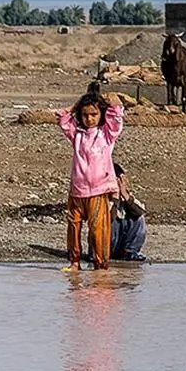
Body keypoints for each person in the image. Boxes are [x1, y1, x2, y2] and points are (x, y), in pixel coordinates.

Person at [57, 81, 124, 271]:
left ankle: (101, 265)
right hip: (77, 190)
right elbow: (63, 119)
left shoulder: (106, 135)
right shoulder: (76, 135)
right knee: (73, 227)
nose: (89, 119)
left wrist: (106, 103)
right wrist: (76, 106)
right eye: (85, 115)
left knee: (98, 230)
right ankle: (75, 262)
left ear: (101, 114)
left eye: (94, 114)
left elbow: (117, 117)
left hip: (98, 189)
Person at [108, 162, 148, 262]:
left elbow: (140, 212)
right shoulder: (101, 199)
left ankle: (130, 251)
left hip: (121, 241)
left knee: (139, 219)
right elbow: (107, 219)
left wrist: (125, 196)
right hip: (107, 243)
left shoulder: (127, 196)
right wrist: (115, 199)